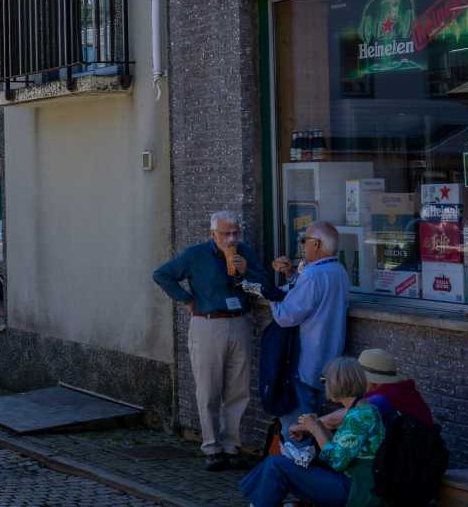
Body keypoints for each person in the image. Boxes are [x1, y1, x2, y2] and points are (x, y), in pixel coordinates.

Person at [152, 210, 280, 471]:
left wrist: (246, 272)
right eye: (225, 233)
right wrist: (186, 299)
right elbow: (162, 275)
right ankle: (212, 447)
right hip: (208, 323)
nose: (231, 238)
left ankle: (232, 446)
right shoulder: (196, 254)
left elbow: (264, 287)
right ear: (213, 234)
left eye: (235, 233)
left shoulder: (245, 252)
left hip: (240, 321)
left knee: (238, 389)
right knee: (209, 389)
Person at [239, 357, 385, 507]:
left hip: (355, 490)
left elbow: (337, 461)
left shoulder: (359, 416)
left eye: (324, 380)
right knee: (275, 464)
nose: (324, 385)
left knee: (276, 465)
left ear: (339, 382)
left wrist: (315, 429)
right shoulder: (363, 410)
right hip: (355, 485)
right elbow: (340, 450)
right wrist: (317, 427)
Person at [270, 221, 352, 431]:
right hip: (328, 363)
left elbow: (285, 316)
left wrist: (269, 292)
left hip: (305, 363)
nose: (302, 245)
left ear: (316, 244)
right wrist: (292, 275)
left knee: (298, 429)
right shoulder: (339, 270)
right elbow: (314, 296)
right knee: (316, 426)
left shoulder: (313, 274)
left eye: (304, 240)